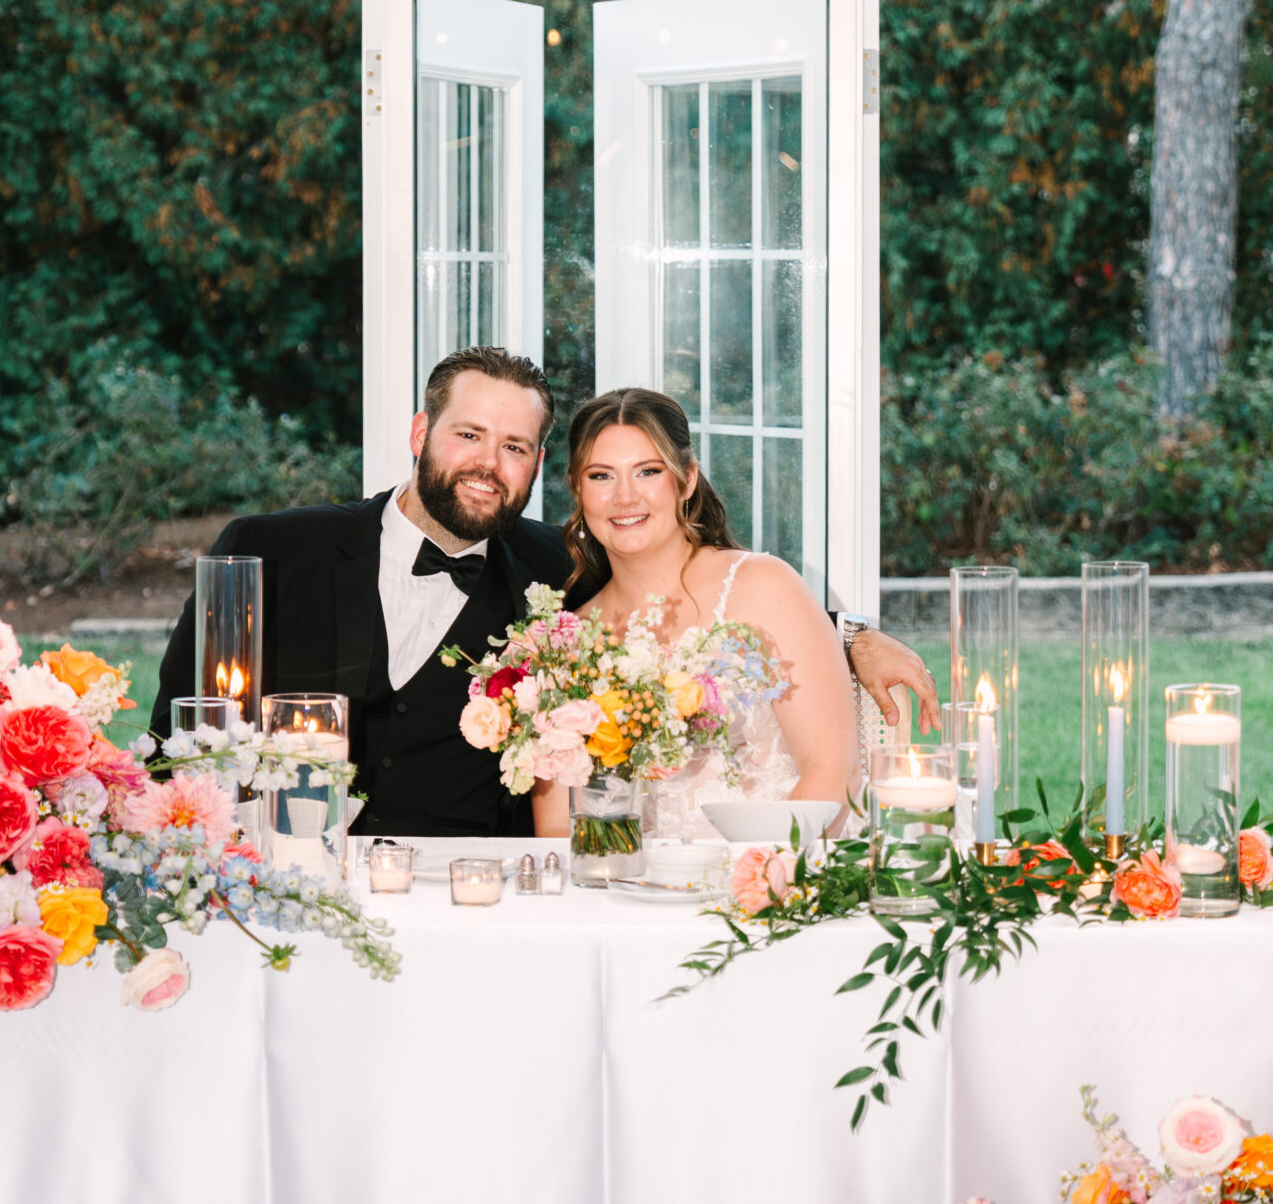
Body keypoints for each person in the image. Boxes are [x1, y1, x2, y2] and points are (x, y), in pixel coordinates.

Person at [153, 346, 940, 839]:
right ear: (420, 434)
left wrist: (850, 635)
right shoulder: (268, 548)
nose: (488, 462)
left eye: (515, 447)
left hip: (468, 889)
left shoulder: (549, 572)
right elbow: (176, 740)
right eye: (468, 435)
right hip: (288, 864)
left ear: (534, 470)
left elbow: (700, 600)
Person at [529, 388, 859, 844]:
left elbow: (832, 772)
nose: (625, 497)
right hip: (628, 900)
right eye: (601, 475)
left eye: (648, 471)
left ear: (686, 480)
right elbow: (555, 828)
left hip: (775, 881)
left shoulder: (764, 585)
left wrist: (763, 881)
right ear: (579, 490)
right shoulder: (565, 642)